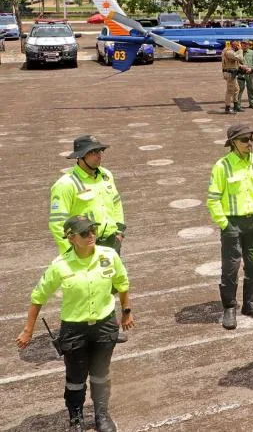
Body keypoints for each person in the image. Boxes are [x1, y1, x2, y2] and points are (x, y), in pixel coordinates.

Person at [16, 215, 134, 432]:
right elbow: (38, 297)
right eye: (84, 233)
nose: (91, 236)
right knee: (76, 377)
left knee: (101, 372)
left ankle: (101, 414)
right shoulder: (60, 265)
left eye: (93, 230)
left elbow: (122, 282)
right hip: (74, 329)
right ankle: (76, 418)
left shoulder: (108, 256)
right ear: (71, 238)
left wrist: (126, 312)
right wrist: (28, 330)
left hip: (104, 325)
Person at [50, 135, 128, 343]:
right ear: (81, 157)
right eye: (93, 152)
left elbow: (116, 203)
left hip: (109, 241)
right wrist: (70, 249)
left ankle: (108, 328)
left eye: (100, 151)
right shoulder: (66, 185)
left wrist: (119, 231)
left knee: (108, 285)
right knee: (82, 289)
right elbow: (58, 223)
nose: (99, 156)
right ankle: (76, 332)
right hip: (83, 246)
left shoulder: (106, 176)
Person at [206, 124, 253, 329]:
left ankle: (250, 303)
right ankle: (230, 307)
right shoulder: (222, 166)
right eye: (244, 140)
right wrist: (224, 223)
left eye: (251, 139)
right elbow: (213, 199)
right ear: (233, 142)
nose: (249, 143)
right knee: (230, 267)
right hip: (232, 222)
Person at [222, 41, 242, 114]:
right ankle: (227, 108)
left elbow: (235, 62)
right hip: (230, 73)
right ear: (233, 45)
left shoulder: (232, 51)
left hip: (233, 73)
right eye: (236, 44)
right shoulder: (228, 51)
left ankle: (236, 106)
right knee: (230, 90)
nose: (238, 45)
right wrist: (240, 50)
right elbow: (238, 58)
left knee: (236, 89)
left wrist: (241, 66)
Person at [239, 40, 253, 110]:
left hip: (249, 73)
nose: (245, 45)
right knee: (239, 89)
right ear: (241, 44)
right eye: (243, 44)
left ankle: (252, 103)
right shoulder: (238, 52)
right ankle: (237, 105)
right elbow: (234, 62)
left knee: (251, 89)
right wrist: (240, 66)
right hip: (240, 74)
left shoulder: (252, 52)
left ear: (248, 45)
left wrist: (251, 68)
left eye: (246, 44)